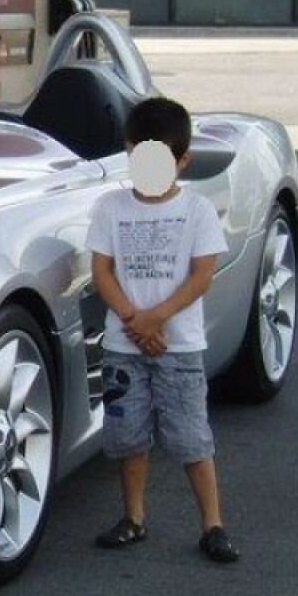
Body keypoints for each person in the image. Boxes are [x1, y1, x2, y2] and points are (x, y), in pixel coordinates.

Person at [84, 97, 240, 563]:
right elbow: (102, 272)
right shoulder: (111, 208)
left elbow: (202, 275)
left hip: (180, 344)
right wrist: (136, 321)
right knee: (127, 435)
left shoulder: (197, 211)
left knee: (191, 437)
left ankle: (213, 524)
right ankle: (133, 518)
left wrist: (154, 319)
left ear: (183, 161)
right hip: (123, 346)